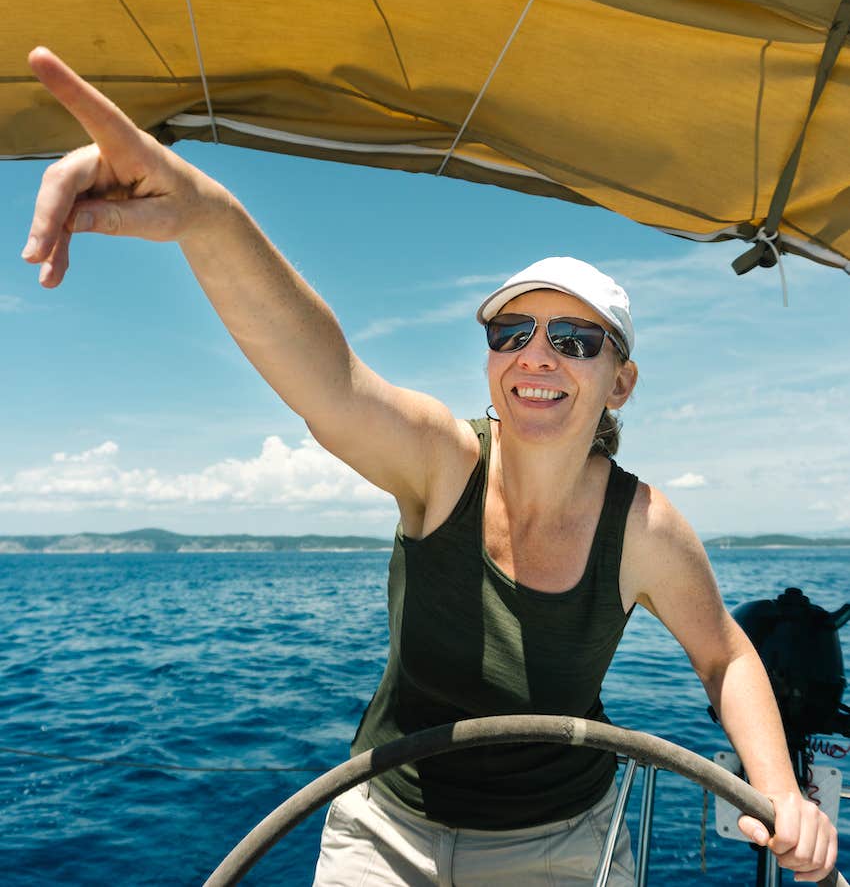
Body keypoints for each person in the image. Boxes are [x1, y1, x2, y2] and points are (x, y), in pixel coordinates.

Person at [23, 47, 838, 885]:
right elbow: (331, 383)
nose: (536, 355)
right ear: (490, 361)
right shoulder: (443, 464)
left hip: (561, 841)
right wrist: (207, 217)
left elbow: (728, 656)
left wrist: (782, 796)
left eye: (574, 340)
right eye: (511, 333)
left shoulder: (644, 528)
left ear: (618, 383)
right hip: (388, 829)